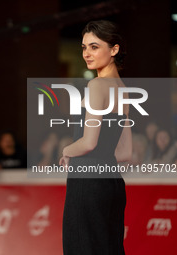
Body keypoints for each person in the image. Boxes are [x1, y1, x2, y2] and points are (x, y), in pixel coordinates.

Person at [60, 20, 132, 255]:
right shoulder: (123, 90)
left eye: (94, 47)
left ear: (114, 49)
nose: (86, 54)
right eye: (83, 47)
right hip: (112, 185)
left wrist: (67, 151)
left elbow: (88, 142)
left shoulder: (97, 86)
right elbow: (125, 152)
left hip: (88, 184)